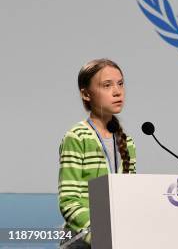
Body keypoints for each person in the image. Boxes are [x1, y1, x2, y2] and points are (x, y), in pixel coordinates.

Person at [58, 59, 136, 248]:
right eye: (107, 85)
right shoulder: (77, 137)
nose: (117, 91)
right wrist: (100, 235)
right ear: (86, 94)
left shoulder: (127, 141)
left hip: (117, 239)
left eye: (120, 84)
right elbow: (68, 200)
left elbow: (130, 195)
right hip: (84, 242)